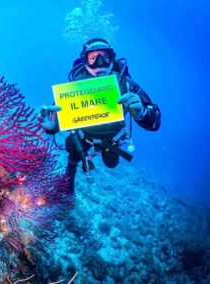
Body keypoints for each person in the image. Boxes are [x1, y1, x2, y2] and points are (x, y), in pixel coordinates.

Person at [38, 38, 161, 193]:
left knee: (111, 163)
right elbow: (56, 119)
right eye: (93, 58)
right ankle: (70, 171)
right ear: (84, 61)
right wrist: (51, 127)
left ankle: (105, 152)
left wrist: (142, 113)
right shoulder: (74, 88)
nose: (99, 63)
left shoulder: (126, 84)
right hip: (83, 136)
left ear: (112, 58)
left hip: (112, 139)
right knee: (73, 149)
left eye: (105, 57)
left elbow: (155, 122)